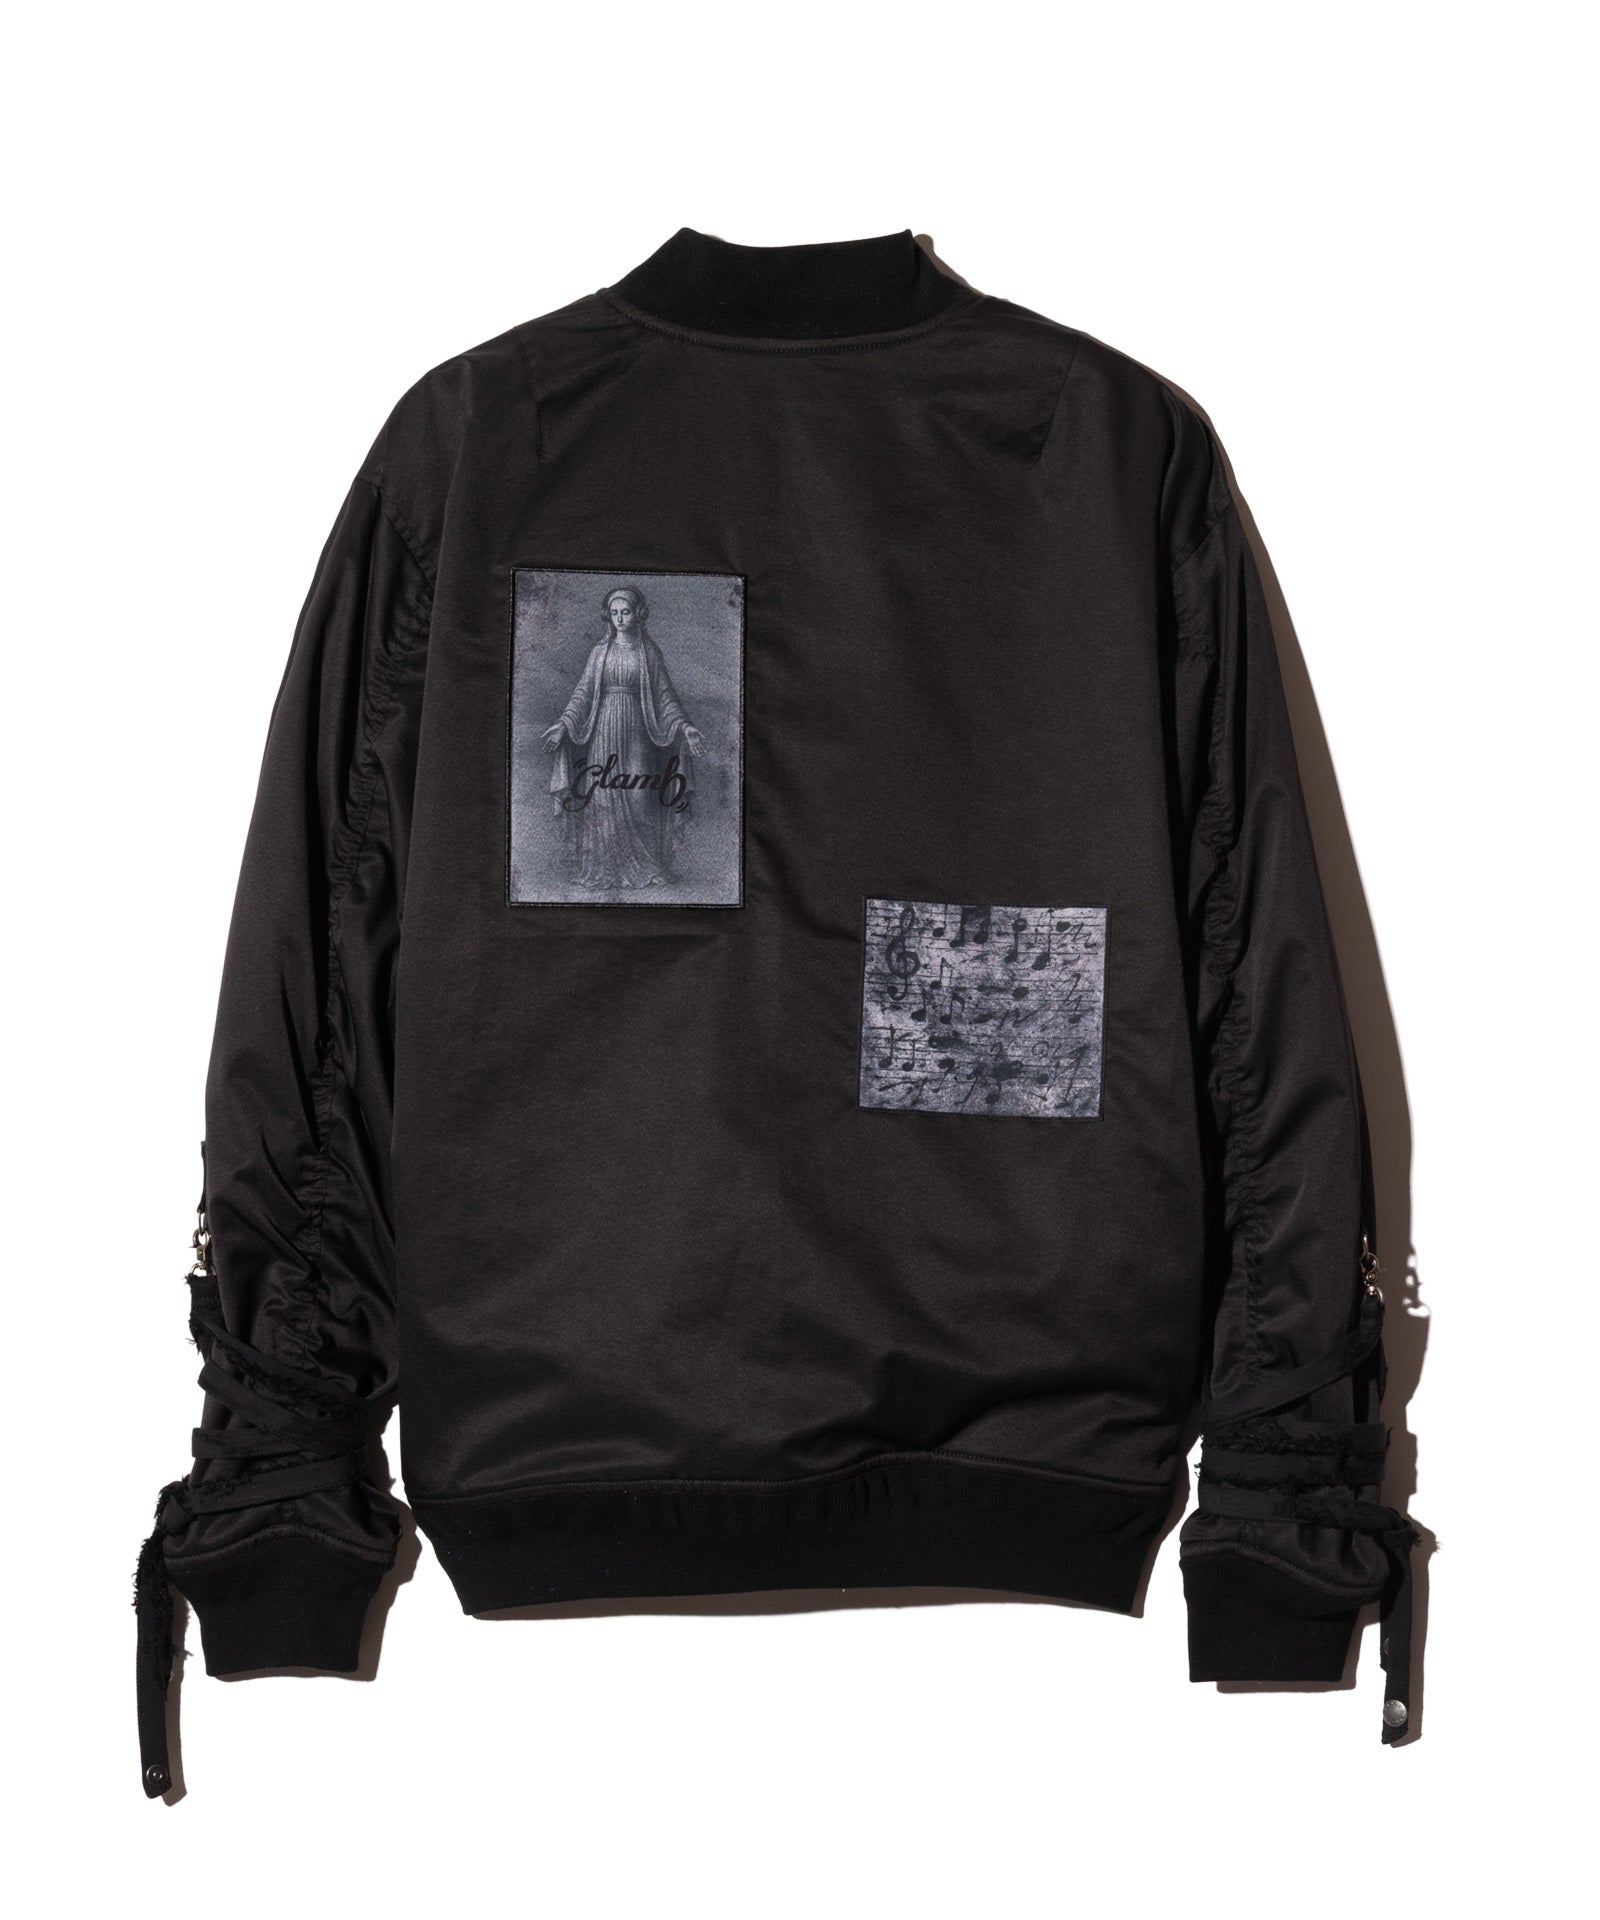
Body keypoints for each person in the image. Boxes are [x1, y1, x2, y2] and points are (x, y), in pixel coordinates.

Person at [541, 585, 705, 888]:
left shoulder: (649, 653)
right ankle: (604, 868)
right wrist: (564, 724)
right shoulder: (599, 652)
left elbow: (665, 697)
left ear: (637, 614)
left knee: (641, 795)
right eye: (614, 613)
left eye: (625, 612)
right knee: (601, 795)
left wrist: (685, 727)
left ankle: (648, 866)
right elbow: (583, 693)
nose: (619, 618)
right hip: (603, 729)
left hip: (637, 730)